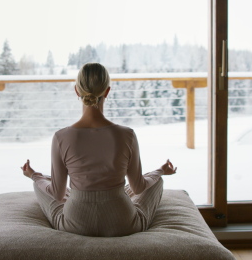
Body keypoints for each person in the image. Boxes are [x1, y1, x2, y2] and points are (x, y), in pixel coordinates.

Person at [20, 62, 177, 237]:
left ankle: (40, 180)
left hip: (75, 222)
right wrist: (159, 172)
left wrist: (34, 176)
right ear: (107, 91)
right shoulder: (127, 135)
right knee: (156, 183)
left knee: (41, 184)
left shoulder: (61, 137)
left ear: (77, 91)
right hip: (122, 221)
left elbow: (57, 194)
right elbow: (138, 187)